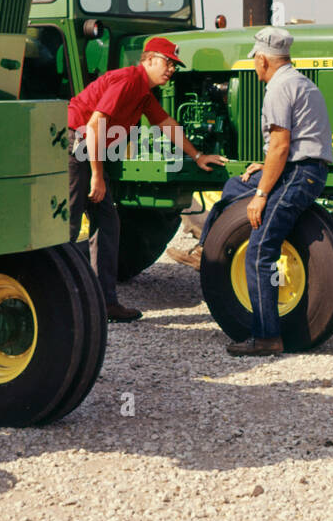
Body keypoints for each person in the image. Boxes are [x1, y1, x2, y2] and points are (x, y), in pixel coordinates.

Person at [68, 36, 227, 322]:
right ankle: (58, 300)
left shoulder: (143, 93)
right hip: (77, 145)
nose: (171, 70)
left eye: (174, 66)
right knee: (67, 224)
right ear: (149, 59)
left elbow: (167, 125)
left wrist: (198, 155)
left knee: (107, 225)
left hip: (94, 149)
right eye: (168, 63)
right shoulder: (128, 81)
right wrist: (97, 176)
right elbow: (92, 127)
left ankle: (104, 304)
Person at [202, 27, 333, 356]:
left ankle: (266, 338)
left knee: (259, 252)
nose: (256, 68)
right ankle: (206, 246)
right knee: (234, 186)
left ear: (262, 59)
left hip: (299, 173)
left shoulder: (278, 88)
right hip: (304, 169)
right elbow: (288, 147)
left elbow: (280, 145)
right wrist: (264, 171)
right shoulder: (303, 82)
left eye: (256, 62)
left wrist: (261, 195)